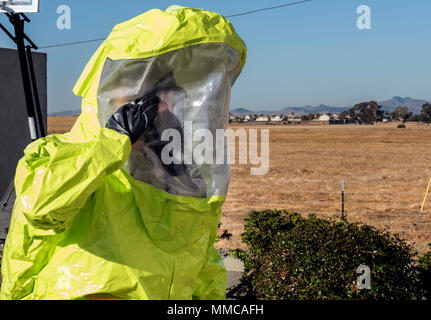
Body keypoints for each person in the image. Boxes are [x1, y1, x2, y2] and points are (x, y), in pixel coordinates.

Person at [0, 5, 246, 300]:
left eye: (159, 98)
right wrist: (112, 142)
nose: (147, 112)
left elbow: (200, 260)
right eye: (133, 100)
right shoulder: (59, 156)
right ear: (102, 98)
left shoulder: (179, 178)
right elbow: (41, 207)